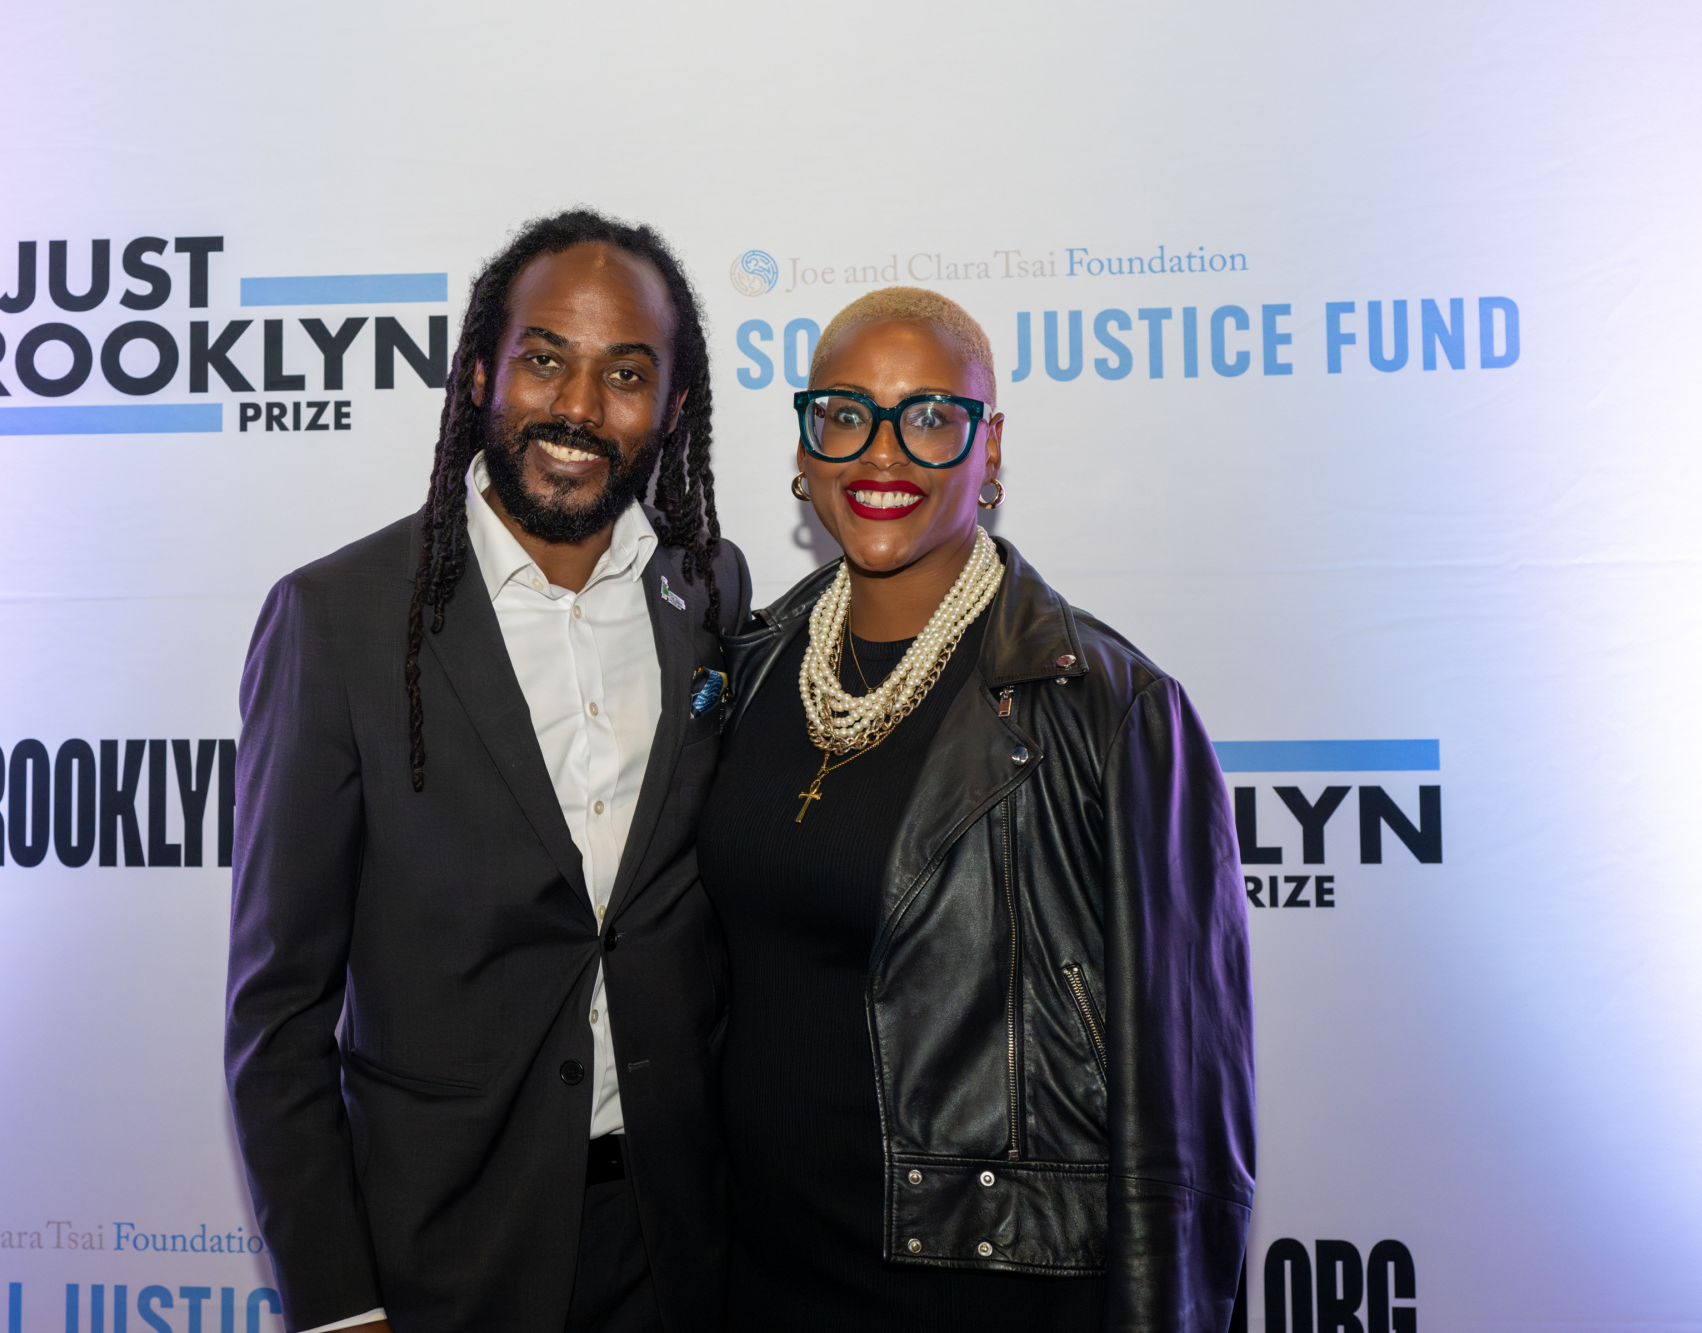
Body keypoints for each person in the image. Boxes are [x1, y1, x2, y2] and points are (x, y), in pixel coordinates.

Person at [226, 210, 750, 1333]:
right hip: (441, 1257)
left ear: (673, 409)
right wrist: (333, 1304)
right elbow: (278, 1014)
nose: (575, 406)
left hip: (677, 1245)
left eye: (624, 373)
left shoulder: (710, 595)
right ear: (477, 373)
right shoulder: (338, 620)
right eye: (543, 359)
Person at [701, 287, 1254, 1332]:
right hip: (759, 1277)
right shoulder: (747, 669)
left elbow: (1184, 1106)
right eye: (845, 412)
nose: (881, 452)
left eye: (930, 418)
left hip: (983, 1290)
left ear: (987, 448)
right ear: (807, 441)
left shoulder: (1105, 706)